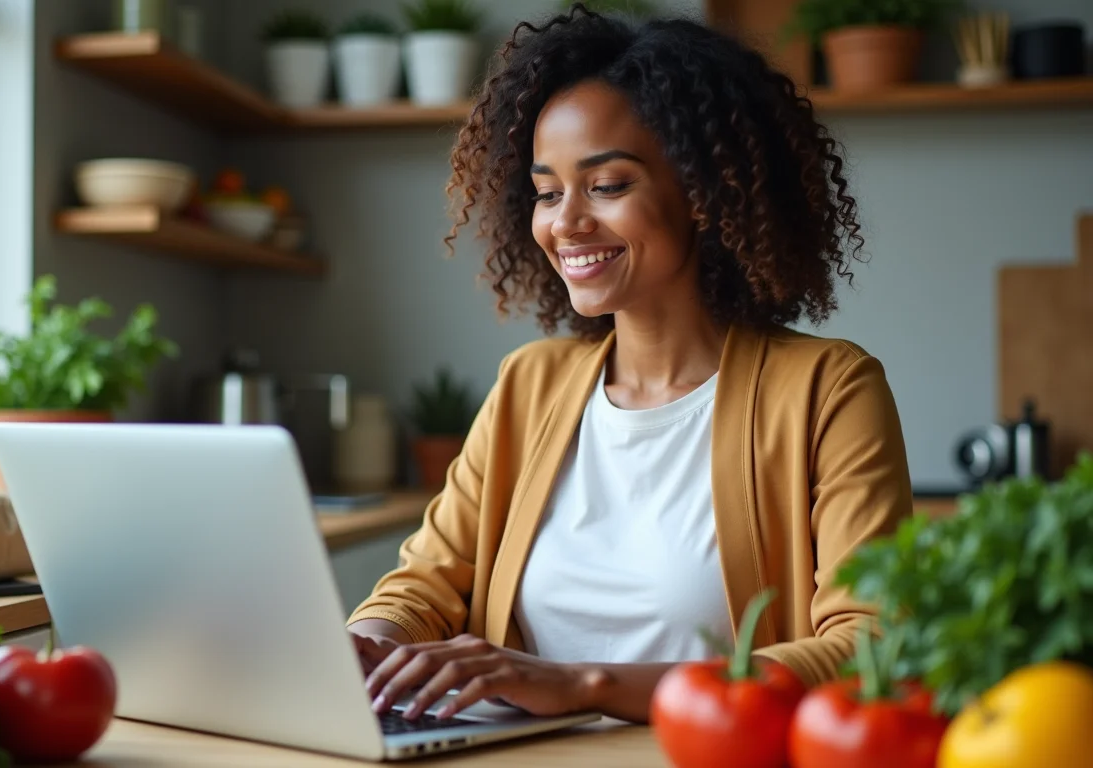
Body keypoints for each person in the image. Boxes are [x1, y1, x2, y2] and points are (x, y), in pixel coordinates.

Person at [347, 5, 912, 726]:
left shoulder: (828, 390)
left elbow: (867, 645)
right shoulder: (531, 384)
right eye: (548, 192)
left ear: (704, 195)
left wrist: (586, 685)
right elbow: (421, 589)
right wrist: (364, 648)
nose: (566, 222)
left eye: (607, 185)